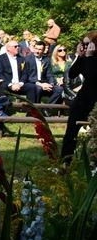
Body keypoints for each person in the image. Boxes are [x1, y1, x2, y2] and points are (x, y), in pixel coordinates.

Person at [61, 32, 97, 160]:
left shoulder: (91, 58)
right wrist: (81, 57)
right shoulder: (86, 57)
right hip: (83, 99)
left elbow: (91, 76)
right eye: (83, 44)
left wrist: (89, 57)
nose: (85, 47)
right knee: (71, 130)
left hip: (94, 100)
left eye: (88, 44)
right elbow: (72, 74)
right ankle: (66, 160)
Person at [26, 40, 63, 107]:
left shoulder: (46, 60)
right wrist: (40, 84)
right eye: (36, 48)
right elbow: (27, 76)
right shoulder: (27, 59)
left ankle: (47, 108)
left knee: (59, 89)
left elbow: (49, 74)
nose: (37, 51)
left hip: (45, 84)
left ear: (43, 50)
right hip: (33, 83)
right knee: (38, 88)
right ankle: (36, 109)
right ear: (34, 48)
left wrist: (51, 84)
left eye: (40, 49)